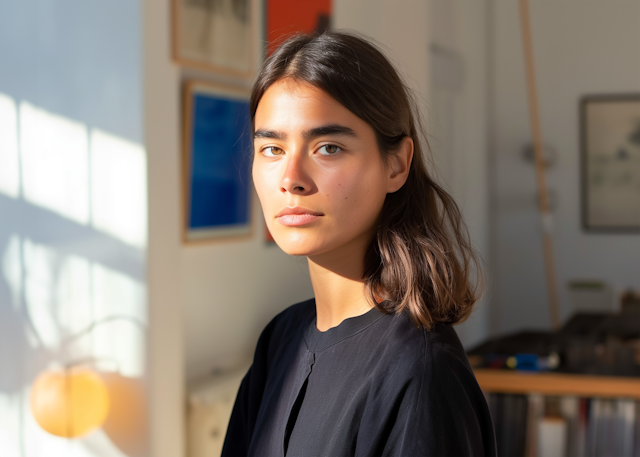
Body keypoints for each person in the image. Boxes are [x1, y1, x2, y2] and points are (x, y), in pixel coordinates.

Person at [222, 31, 496, 457]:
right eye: (272, 148)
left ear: (397, 165)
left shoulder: (420, 372)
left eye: (328, 147)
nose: (291, 177)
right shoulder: (281, 338)